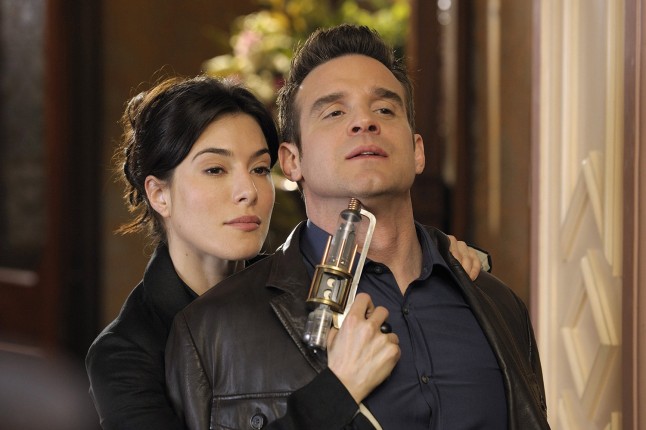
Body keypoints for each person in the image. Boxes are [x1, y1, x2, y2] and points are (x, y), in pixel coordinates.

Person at [165, 24, 549, 430]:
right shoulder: (210, 332)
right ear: (292, 161)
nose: (364, 121)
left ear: (417, 151)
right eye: (334, 112)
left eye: (384, 110)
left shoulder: (499, 305)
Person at [85, 74, 483, 430]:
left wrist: (438, 253)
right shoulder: (124, 353)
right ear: (159, 194)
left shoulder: (300, 279)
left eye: (259, 169)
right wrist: (339, 390)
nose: (248, 191)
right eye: (215, 170)